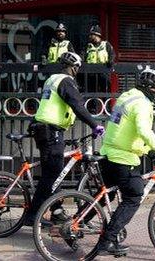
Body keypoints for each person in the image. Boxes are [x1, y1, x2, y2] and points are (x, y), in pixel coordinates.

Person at [95, 66, 155, 256]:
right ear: (151, 87)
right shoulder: (142, 104)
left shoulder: (127, 96)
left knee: (106, 193)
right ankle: (106, 241)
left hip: (109, 152)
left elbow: (127, 130)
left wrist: (148, 150)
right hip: (122, 157)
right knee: (133, 195)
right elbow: (143, 130)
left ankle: (77, 222)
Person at [22, 51, 104, 226]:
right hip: (51, 131)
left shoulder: (52, 79)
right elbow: (77, 105)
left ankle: (57, 211)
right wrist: (94, 124)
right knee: (51, 175)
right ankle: (32, 215)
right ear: (74, 68)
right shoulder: (66, 81)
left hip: (44, 129)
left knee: (54, 173)